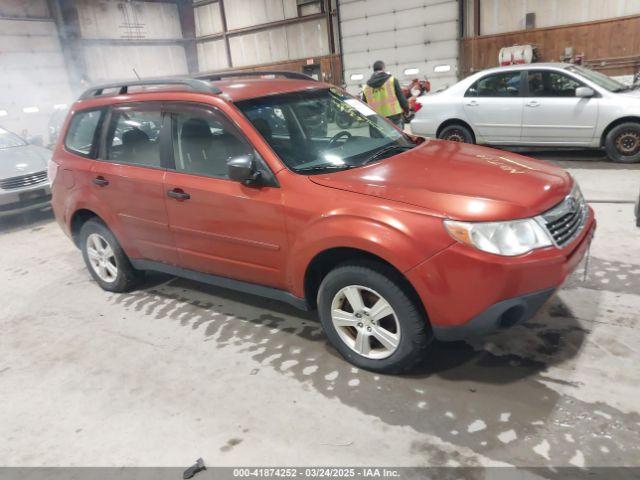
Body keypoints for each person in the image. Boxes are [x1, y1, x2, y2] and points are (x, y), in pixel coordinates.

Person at [361, 61, 409, 128]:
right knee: (397, 137)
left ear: (374, 70)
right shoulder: (392, 80)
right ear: (383, 68)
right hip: (394, 117)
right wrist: (406, 110)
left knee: (379, 138)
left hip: (376, 119)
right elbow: (401, 98)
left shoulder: (366, 86)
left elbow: (363, 104)